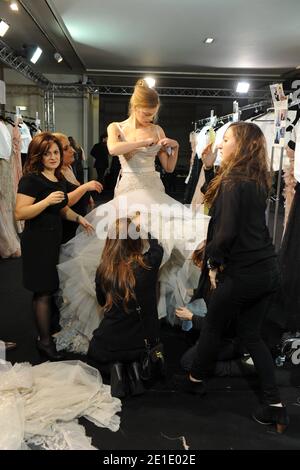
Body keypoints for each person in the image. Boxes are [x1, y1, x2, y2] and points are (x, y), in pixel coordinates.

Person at [55, 79, 210, 354]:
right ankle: (122, 312)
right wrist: (142, 141)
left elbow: (168, 167)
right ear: (135, 107)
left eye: (153, 114)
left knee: (163, 250)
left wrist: (172, 146)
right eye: (147, 113)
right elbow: (113, 150)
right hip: (128, 191)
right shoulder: (117, 128)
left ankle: (156, 312)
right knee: (123, 251)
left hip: (155, 190)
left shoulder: (158, 128)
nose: (151, 118)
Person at [175, 122, 289, 433]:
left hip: (243, 273)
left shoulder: (234, 182)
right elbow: (229, 216)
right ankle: (275, 407)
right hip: (268, 271)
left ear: (242, 146)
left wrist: (212, 262)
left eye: (226, 139)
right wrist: (209, 169)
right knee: (252, 336)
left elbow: (225, 233)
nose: (221, 143)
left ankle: (196, 380)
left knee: (212, 328)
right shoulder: (255, 180)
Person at [15, 132, 94, 360]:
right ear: (38, 155)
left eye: (56, 152)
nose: (53, 157)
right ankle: (45, 341)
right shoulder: (31, 179)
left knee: (50, 288)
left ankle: (47, 333)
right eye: (47, 153)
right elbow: (20, 212)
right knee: (43, 291)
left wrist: (78, 218)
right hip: (37, 242)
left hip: (53, 239)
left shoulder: (57, 178)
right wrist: (46, 201)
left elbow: (60, 209)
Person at [88, 216, 164, 398]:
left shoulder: (103, 270)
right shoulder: (150, 263)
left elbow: (101, 301)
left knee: (94, 350)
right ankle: (136, 368)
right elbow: (158, 246)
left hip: (112, 344)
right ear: (136, 240)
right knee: (139, 341)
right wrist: (143, 228)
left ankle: (117, 368)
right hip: (144, 342)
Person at [53, 133, 103, 243]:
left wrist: (87, 195)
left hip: (78, 224)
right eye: (66, 148)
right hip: (67, 229)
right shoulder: (56, 174)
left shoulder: (68, 167)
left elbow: (75, 186)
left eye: (71, 146)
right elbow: (62, 203)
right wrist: (85, 188)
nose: (73, 151)